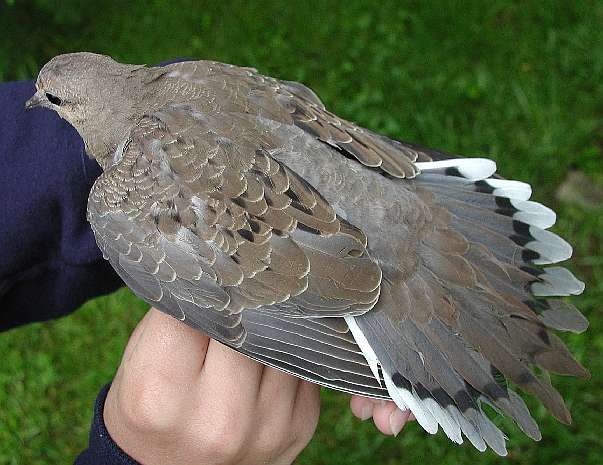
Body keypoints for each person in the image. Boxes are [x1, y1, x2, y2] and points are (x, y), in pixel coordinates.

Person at [0, 75, 411, 465]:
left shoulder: (121, 192)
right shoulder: (182, 83)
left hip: (371, 258)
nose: (36, 103)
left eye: (50, 99)